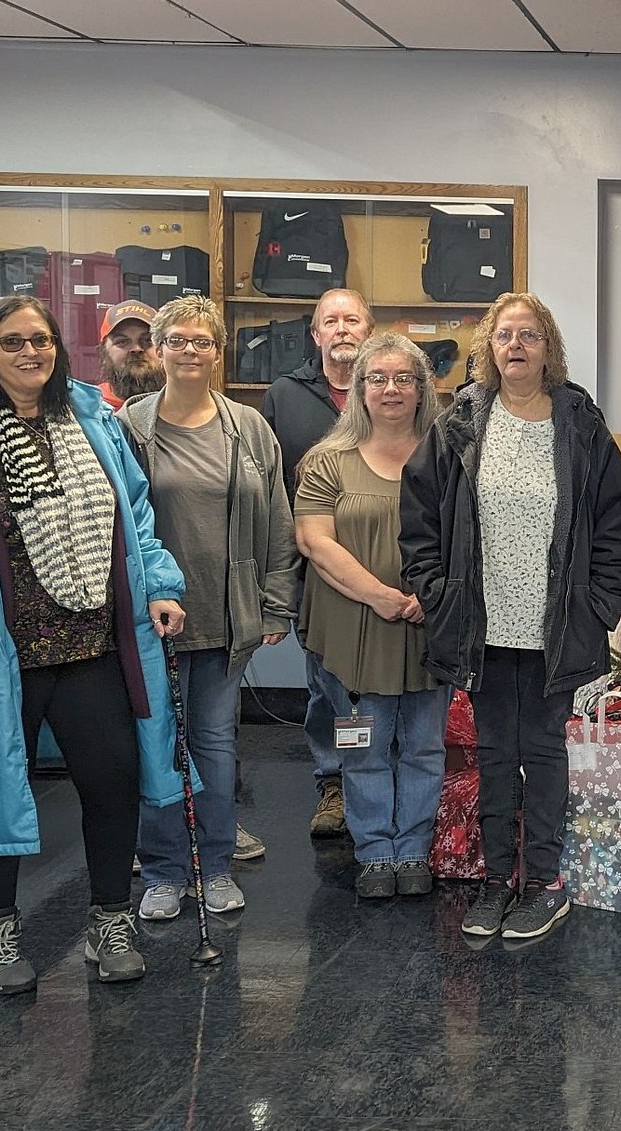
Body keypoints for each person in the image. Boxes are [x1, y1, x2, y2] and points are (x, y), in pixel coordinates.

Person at [0, 294, 189, 994]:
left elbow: (139, 517)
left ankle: (110, 917)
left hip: (91, 646)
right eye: (12, 342)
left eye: (40, 340)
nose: (29, 353)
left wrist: (160, 583)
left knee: (113, 782)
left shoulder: (92, 416)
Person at [401, 291, 621, 941]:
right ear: (488, 345)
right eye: (505, 333)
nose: (516, 344)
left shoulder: (579, 422)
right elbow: (420, 513)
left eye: (530, 334)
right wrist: (436, 590)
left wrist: (600, 605)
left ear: (549, 349)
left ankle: (541, 882)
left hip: (555, 625)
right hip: (481, 624)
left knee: (543, 751)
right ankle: (494, 881)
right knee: (493, 750)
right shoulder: (460, 419)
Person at [119, 295, 298, 923]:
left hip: (226, 616)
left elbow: (279, 519)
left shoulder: (248, 429)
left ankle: (216, 866)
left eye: (203, 341)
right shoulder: (130, 429)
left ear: (218, 351)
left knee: (217, 743)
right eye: (178, 341)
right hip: (151, 618)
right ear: (159, 349)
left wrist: (277, 606)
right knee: (159, 743)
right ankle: (165, 871)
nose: (190, 351)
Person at [294, 334, 448, 900]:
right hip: (354, 627)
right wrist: (380, 596)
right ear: (359, 389)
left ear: (421, 388)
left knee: (425, 746)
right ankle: (374, 854)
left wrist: (430, 598)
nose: (390, 389)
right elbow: (315, 542)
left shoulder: (448, 455)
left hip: (429, 625)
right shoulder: (327, 461)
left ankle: (413, 851)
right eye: (377, 378)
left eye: (403, 378)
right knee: (364, 745)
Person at [262, 288, 376, 839]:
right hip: (315, 569)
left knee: (382, 681)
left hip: (384, 567)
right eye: (330, 321)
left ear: (368, 330)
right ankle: (333, 783)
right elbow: (270, 488)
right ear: (315, 335)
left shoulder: (391, 390)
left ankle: (374, 780)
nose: (342, 329)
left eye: (352, 319)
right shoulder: (285, 397)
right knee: (327, 682)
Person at [94, 300, 163, 410]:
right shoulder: (88, 407)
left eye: (147, 340)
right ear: (104, 352)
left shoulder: (185, 404)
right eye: (122, 341)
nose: (136, 349)